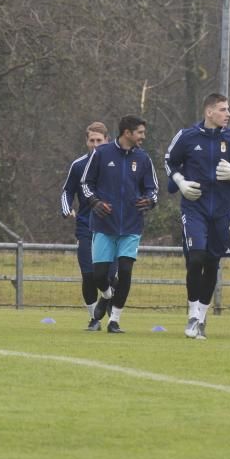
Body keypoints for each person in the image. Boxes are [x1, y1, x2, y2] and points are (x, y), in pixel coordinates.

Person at [165, 94, 230, 340]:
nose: (228, 113)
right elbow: (169, 162)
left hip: (221, 211)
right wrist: (180, 182)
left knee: (212, 263)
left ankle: (201, 318)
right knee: (196, 257)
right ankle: (192, 314)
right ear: (209, 112)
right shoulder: (187, 136)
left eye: (228, 109)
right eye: (223, 109)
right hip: (194, 208)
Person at [81, 114, 158, 334]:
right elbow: (86, 184)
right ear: (128, 133)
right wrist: (94, 201)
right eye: (140, 132)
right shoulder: (101, 154)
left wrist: (150, 200)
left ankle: (114, 320)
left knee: (125, 271)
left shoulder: (143, 159)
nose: (144, 136)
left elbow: (152, 188)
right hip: (105, 225)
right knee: (99, 275)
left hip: (132, 226)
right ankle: (107, 295)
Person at [60, 122, 113, 331]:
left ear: (107, 141)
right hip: (86, 226)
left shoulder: (115, 164)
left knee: (110, 275)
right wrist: (66, 209)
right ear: (86, 141)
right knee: (88, 274)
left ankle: (111, 310)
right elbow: (67, 191)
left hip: (111, 227)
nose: (95, 145)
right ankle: (94, 319)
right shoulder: (79, 165)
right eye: (92, 140)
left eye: (99, 141)